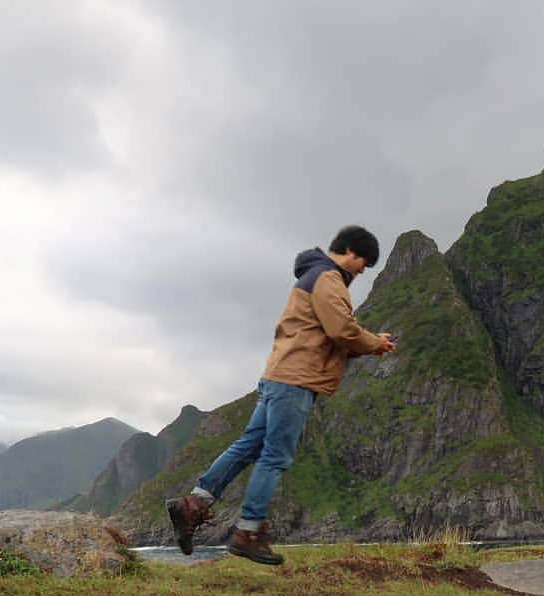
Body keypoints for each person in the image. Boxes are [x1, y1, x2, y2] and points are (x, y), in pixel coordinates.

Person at [166, 225, 395, 565]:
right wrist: (375, 343)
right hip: (297, 380)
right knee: (275, 456)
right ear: (350, 252)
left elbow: (324, 332)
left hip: (278, 375)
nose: (362, 271)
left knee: (248, 446)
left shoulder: (310, 275)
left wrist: (367, 342)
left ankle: (194, 504)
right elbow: (340, 330)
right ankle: (249, 531)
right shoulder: (328, 278)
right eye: (363, 263)